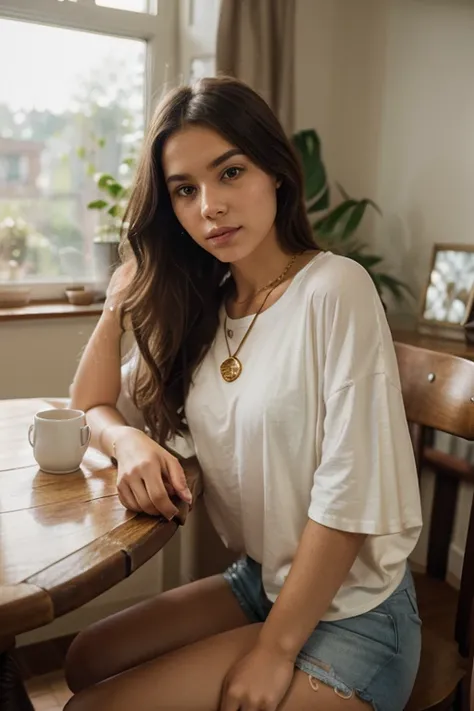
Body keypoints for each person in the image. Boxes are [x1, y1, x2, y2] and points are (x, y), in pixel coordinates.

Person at [64, 76, 422, 711]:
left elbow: (349, 493)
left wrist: (275, 650)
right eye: (184, 190)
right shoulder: (203, 309)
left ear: (275, 173)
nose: (210, 206)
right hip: (263, 581)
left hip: (356, 611)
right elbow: (88, 405)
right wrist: (127, 434)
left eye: (230, 172)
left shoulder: (335, 290)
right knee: (83, 658)